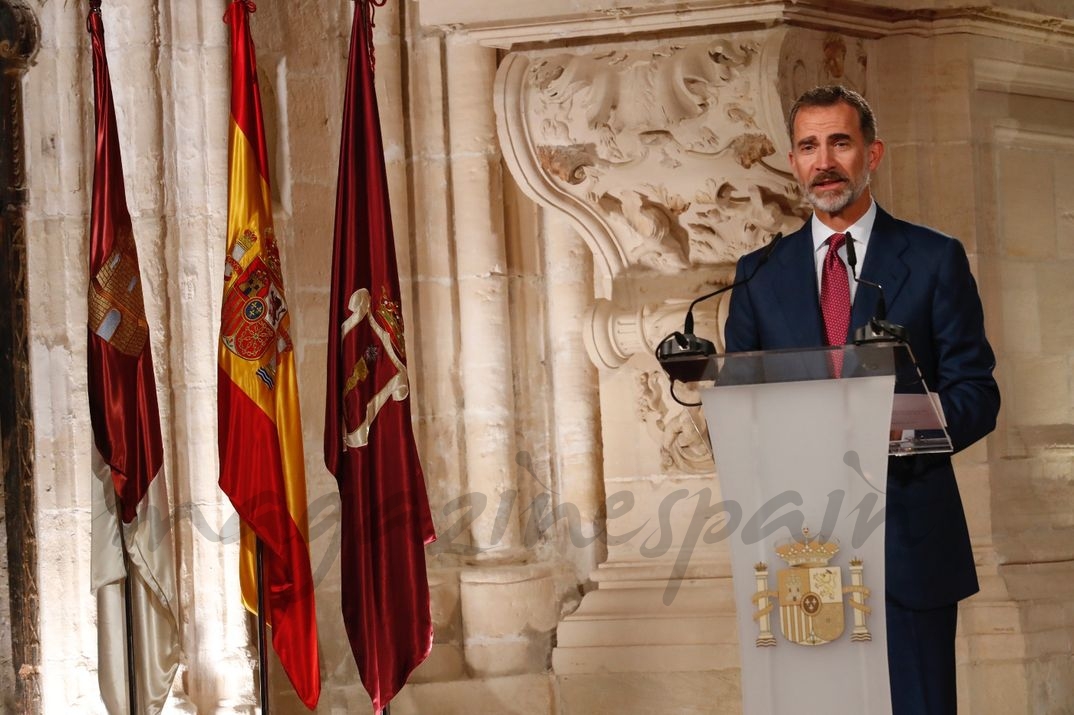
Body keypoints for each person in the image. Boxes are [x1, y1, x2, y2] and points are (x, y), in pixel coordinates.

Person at [724, 85, 1000, 713]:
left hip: (908, 543)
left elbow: (976, 394)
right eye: (809, 146)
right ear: (794, 162)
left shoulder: (933, 260)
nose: (825, 160)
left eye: (840, 142)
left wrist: (891, 428)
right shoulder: (758, 275)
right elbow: (735, 412)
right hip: (798, 550)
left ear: (872, 153)